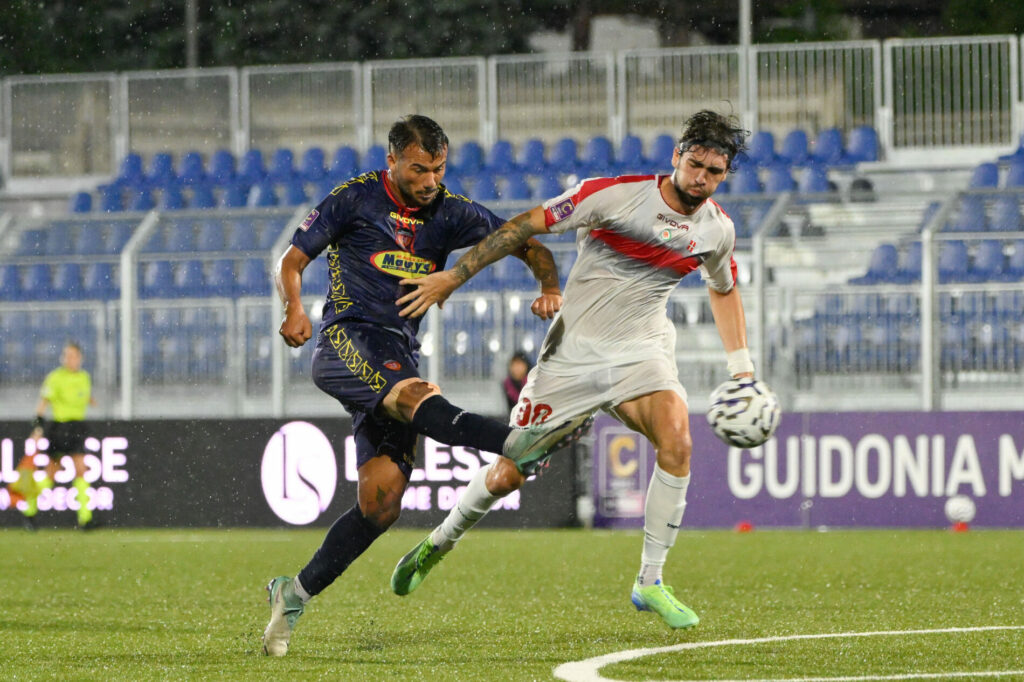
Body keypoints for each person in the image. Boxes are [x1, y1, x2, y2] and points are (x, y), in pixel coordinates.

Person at [390, 110, 754, 630]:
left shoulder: (717, 230)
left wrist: (742, 369)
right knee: (509, 469)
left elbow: (724, 288)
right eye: (695, 164)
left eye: (714, 172)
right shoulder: (611, 195)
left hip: (642, 353)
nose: (702, 178)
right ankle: (437, 543)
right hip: (574, 357)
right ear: (676, 156)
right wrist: (455, 276)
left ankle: (650, 581)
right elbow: (522, 227)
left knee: (677, 440)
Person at [261, 114, 592, 656]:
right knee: (418, 397)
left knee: (381, 505)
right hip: (347, 340)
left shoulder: (450, 211)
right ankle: (523, 441)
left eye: (439, 168)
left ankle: (291, 594)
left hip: (397, 354)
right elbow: (292, 259)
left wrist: (550, 286)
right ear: (392, 159)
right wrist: (294, 307)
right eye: (419, 169)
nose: (430, 180)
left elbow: (527, 242)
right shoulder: (354, 198)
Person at [8, 342, 96, 530]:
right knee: (52, 473)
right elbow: (43, 403)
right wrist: (38, 427)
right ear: (63, 358)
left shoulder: (85, 377)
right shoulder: (55, 378)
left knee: (80, 469)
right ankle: (30, 510)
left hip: (77, 427)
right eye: (67, 356)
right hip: (60, 428)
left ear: (80, 358)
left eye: (74, 356)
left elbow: (82, 397)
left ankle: (85, 519)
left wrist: (90, 400)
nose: (70, 359)